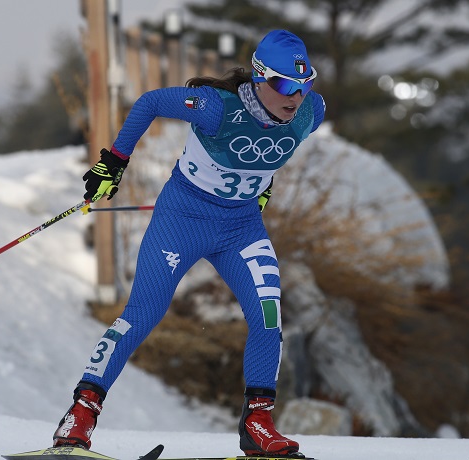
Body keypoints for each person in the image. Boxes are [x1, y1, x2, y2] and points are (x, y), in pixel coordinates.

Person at [53, 29, 325, 457]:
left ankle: (258, 422)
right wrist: (115, 162)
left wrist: (261, 185)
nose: (297, 96)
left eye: (305, 84)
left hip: (241, 228)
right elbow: (149, 103)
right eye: (286, 85)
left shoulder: (312, 112)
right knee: (143, 314)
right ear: (259, 77)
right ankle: (81, 414)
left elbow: (268, 150)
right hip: (183, 220)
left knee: (269, 315)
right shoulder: (217, 108)